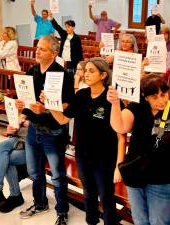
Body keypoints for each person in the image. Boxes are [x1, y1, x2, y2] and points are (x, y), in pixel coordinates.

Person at [42, 58, 124, 225]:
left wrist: (118, 166)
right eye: (85, 70)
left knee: (106, 196)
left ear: (103, 75)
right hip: (83, 154)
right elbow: (64, 119)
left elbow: (120, 135)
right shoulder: (81, 95)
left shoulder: (111, 97)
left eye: (91, 71)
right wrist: (49, 104)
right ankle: (91, 221)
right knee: (88, 193)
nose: (86, 74)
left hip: (105, 156)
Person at [108, 74, 170, 225]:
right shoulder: (136, 107)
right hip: (136, 174)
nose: (161, 100)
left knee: (159, 222)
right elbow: (119, 126)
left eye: (164, 95)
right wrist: (114, 104)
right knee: (140, 220)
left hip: (167, 177)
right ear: (145, 97)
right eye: (154, 97)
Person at [16, 35, 74, 225]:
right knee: (34, 171)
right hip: (34, 128)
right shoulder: (32, 70)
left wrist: (47, 107)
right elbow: (26, 98)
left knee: (57, 175)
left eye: (42, 49)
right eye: (37, 48)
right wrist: (21, 110)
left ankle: (62, 210)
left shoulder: (62, 74)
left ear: (54, 53)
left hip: (53, 131)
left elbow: (68, 105)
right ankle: (40, 203)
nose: (37, 51)